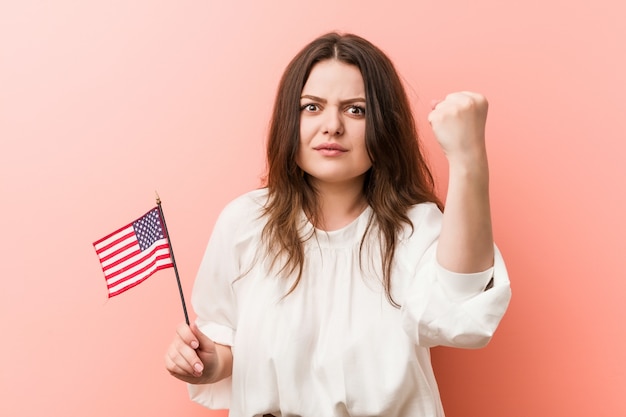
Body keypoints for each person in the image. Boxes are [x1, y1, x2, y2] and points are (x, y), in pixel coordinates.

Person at [165, 32, 511, 416]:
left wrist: (468, 160)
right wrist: (210, 363)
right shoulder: (245, 222)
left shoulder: (416, 227)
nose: (332, 126)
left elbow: (461, 314)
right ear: (288, 118)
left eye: (355, 110)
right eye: (312, 107)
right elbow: (225, 338)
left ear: (384, 123)